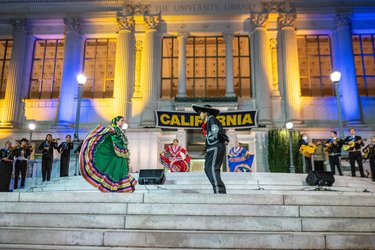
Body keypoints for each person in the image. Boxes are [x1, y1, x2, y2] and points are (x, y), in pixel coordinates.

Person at [80, 116, 137, 192]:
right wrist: (118, 143)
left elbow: (123, 141)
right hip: (116, 152)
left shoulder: (120, 130)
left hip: (120, 152)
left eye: (123, 121)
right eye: (121, 121)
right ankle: (114, 187)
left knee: (121, 169)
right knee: (116, 169)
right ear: (116, 121)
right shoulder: (113, 129)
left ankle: (122, 187)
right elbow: (111, 138)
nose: (123, 122)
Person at [192, 104, 227, 194]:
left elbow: (216, 130)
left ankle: (219, 190)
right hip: (213, 147)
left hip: (215, 146)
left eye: (201, 113)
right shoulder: (209, 121)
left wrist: (222, 139)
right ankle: (218, 189)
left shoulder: (211, 119)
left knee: (212, 168)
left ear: (205, 113)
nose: (199, 115)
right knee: (208, 168)